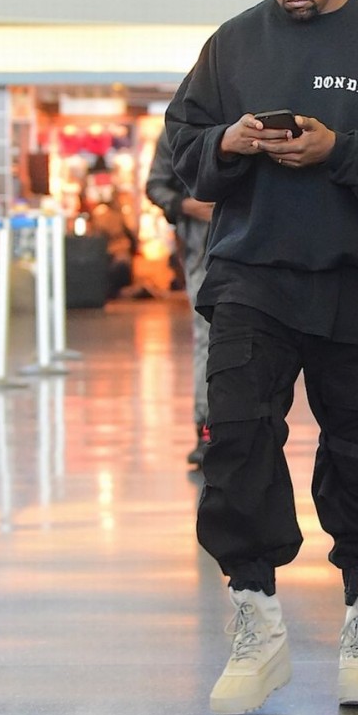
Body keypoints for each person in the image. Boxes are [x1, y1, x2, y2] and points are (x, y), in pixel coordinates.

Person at [165, 0, 358, 715]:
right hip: (253, 276)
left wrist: (339, 150)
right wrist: (228, 142)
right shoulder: (233, 43)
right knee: (235, 437)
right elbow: (182, 150)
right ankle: (255, 619)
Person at [145, 128, 214, 466]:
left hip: (263, 250)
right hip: (202, 253)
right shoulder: (180, 126)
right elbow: (155, 185)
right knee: (207, 338)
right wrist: (188, 206)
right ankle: (206, 430)